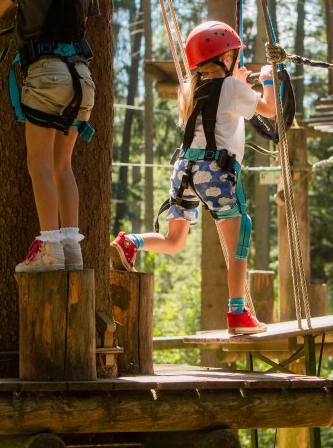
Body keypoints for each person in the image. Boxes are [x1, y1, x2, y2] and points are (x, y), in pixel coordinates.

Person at [109, 21, 276, 334]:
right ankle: (238, 314)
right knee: (241, 238)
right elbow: (270, 110)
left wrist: (239, 83)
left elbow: (223, 113)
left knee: (174, 241)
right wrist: (268, 79)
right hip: (215, 172)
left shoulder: (192, 88)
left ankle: (130, 241)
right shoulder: (232, 87)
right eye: (235, 57)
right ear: (226, 58)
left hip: (185, 170)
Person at [0, 0, 99, 273]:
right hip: (82, 80)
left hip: (47, 75)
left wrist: (1, 1)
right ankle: (71, 249)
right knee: (62, 166)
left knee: (38, 164)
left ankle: (50, 249)